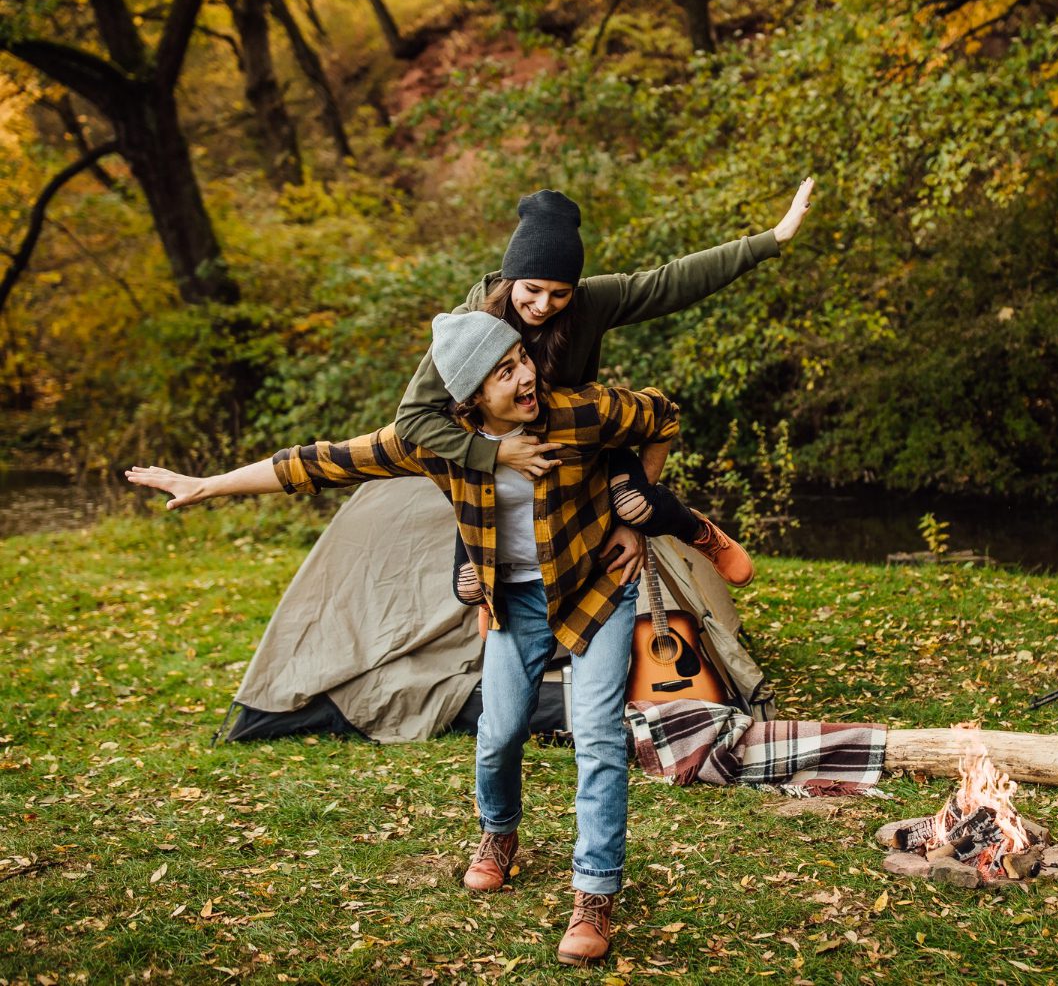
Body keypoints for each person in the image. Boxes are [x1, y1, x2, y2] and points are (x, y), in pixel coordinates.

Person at [128, 310, 676, 967]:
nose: (526, 377)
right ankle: (499, 835)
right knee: (499, 733)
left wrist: (635, 515)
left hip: (596, 588)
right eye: (505, 373)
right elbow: (321, 463)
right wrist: (208, 485)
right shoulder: (438, 443)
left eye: (522, 360)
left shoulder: (578, 413)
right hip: (515, 599)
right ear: (471, 398)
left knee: (596, 737)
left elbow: (662, 416)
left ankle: (594, 894)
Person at [396, 179, 816, 587]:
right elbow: (412, 418)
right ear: (510, 278)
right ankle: (496, 603)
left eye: (559, 294)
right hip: (496, 453)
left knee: (637, 505)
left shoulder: (589, 303)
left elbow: (671, 282)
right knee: (469, 584)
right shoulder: (469, 328)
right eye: (532, 289)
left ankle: (698, 531)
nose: (543, 305)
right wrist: (494, 452)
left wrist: (770, 240)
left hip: (580, 439)